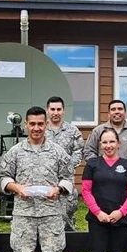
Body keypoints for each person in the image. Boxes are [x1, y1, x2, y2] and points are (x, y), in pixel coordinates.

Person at [0, 106, 74, 252]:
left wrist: (58, 189)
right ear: (25, 125)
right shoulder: (15, 152)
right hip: (24, 214)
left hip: (51, 213)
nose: (36, 128)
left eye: (40, 123)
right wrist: (17, 188)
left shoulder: (58, 152)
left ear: (46, 124)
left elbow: (69, 178)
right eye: (32, 124)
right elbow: (2, 178)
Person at [83, 99, 127, 233]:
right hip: (103, 185)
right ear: (108, 113)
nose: (116, 112)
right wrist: (100, 168)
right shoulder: (98, 131)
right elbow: (88, 151)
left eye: (120, 109)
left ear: (125, 112)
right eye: (113, 109)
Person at [45, 96, 84, 231]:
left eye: (58, 109)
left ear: (63, 111)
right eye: (52, 109)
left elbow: (79, 151)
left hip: (66, 180)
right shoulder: (41, 129)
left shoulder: (73, 131)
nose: (55, 112)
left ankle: (69, 240)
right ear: (47, 110)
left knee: (68, 211)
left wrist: (68, 167)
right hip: (45, 179)